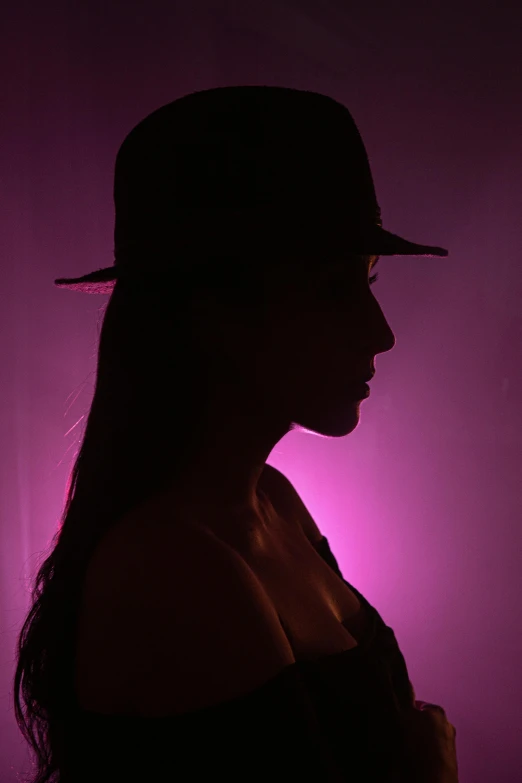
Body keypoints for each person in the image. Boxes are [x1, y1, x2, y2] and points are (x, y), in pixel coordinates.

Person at [14, 86, 457, 782]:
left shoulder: (272, 502)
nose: (381, 332)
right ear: (213, 315)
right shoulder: (173, 565)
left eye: (370, 283)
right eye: (332, 290)